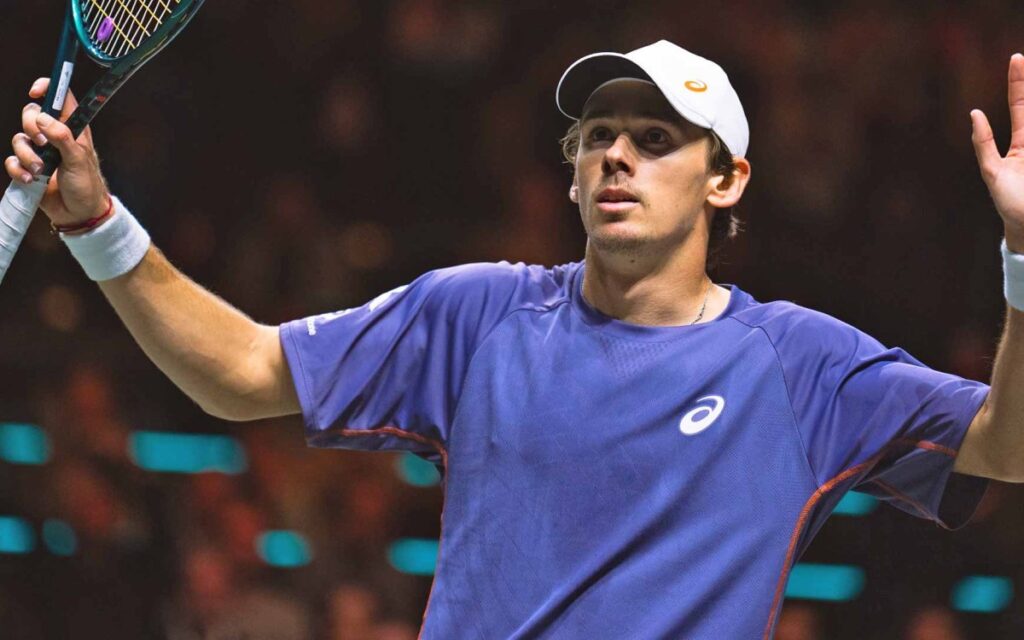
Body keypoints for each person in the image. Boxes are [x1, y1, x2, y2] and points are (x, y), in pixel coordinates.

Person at [6, 39, 1024, 638]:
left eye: (655, 140)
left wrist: (1021, 260)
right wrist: (97, 222)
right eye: (597, 138)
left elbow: (1006, 446)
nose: (616, 156)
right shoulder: (476, 314)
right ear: (572, 174)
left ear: (726, 180)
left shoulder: (802, 366)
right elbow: (239, 371)